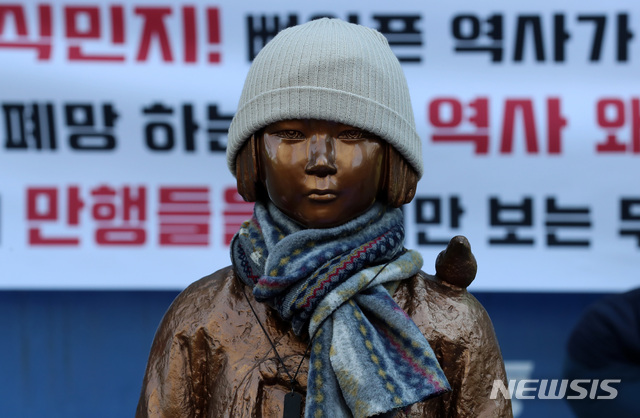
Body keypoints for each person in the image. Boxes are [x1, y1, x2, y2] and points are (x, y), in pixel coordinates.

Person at [136, 18, 511, 418]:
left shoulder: (450, 324)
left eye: (350, 135)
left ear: (392, 158)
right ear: (254, 155)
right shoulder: (201, 320)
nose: (320, 161)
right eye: (291, 134)